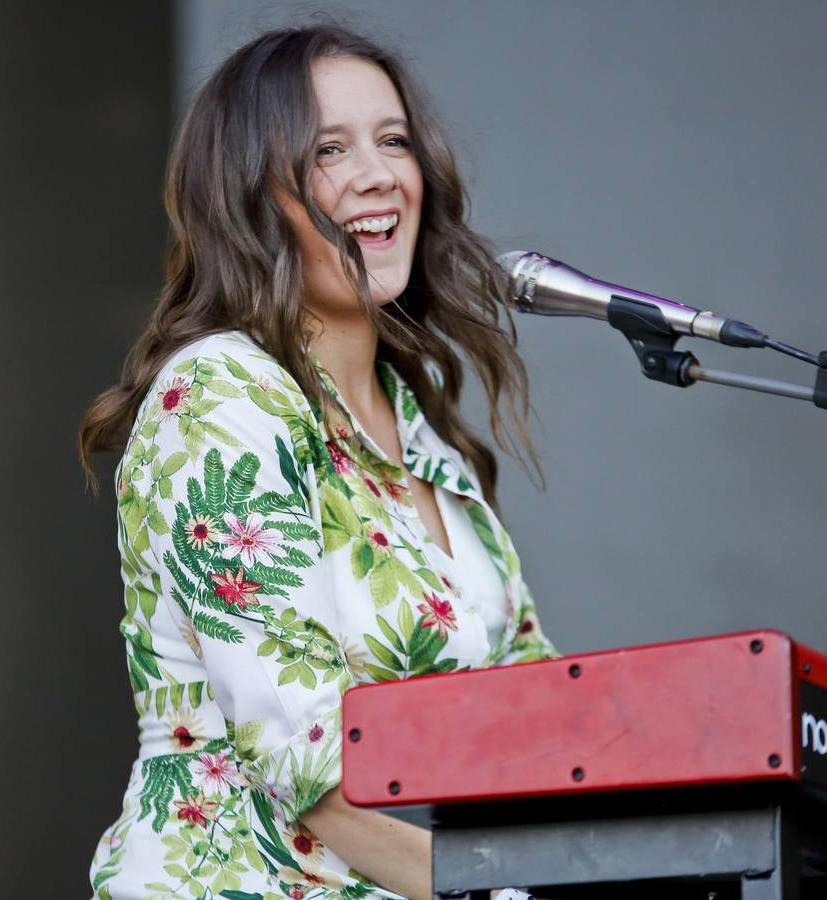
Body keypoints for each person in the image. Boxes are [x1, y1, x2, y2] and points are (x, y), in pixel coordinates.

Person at [79, 23, 557, 900]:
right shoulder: (225, 396)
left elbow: (536, 716)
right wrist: (502, 892)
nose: (378, 174)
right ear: (250, 196)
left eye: (394, 140)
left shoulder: (429, 443)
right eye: (329, 149)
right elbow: (308, 761)